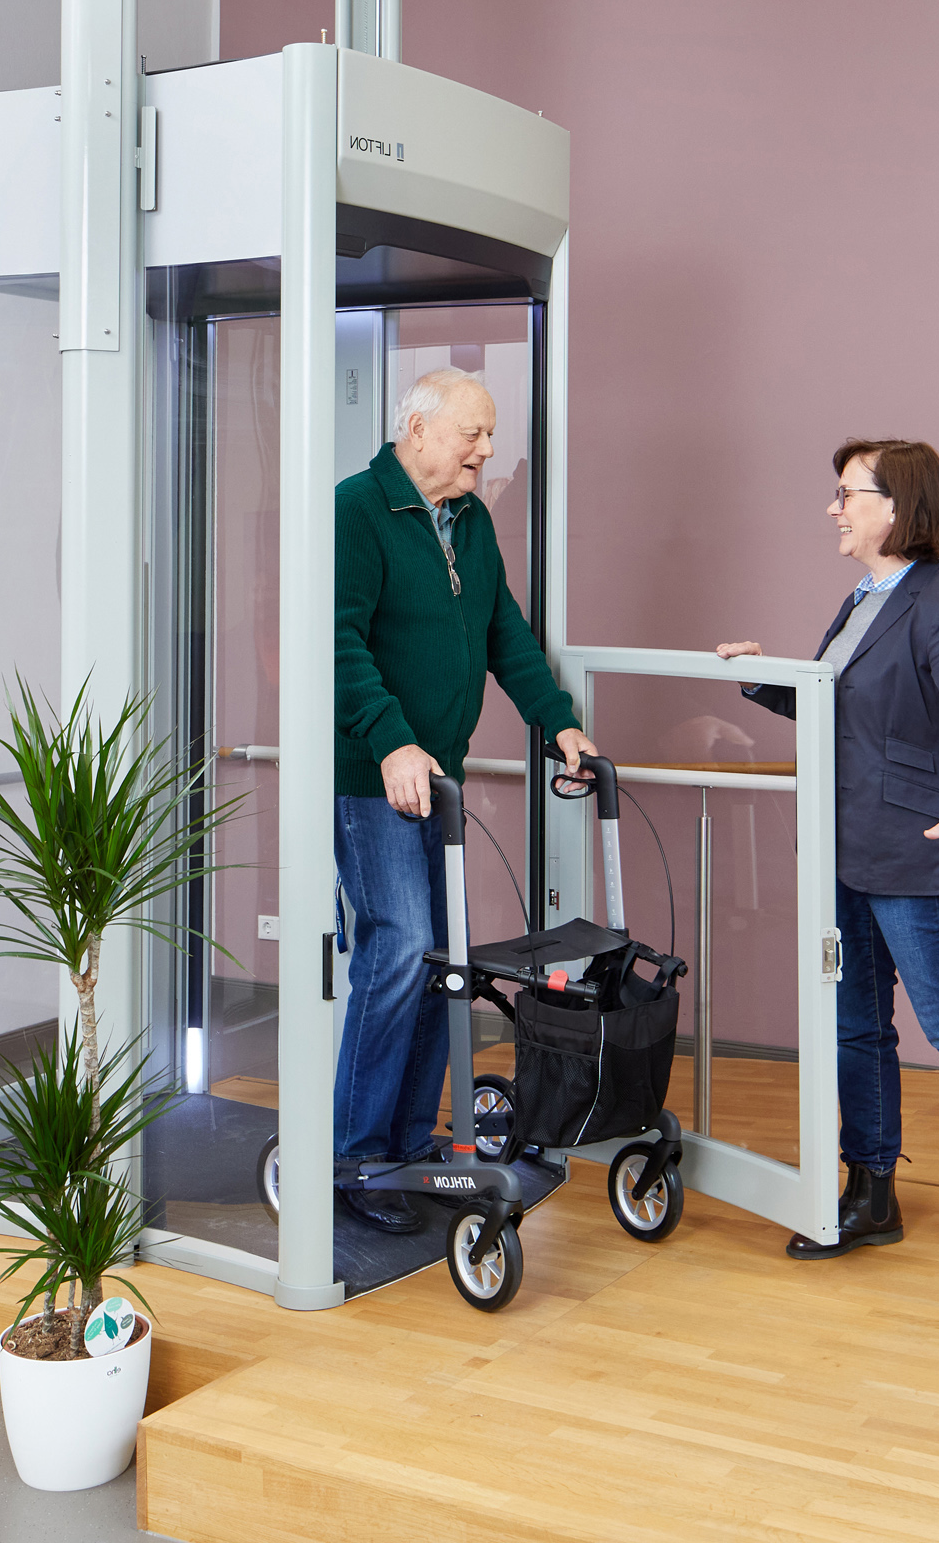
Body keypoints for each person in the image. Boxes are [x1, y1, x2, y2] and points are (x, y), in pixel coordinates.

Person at [719, 439, 939, 1278]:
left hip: (918, 855)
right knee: (856, 1025)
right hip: (845, 855)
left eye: (847, 493)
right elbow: (839, 706)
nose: (835, 508)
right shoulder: (861, 601)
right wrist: (763, 678)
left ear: (896, 506)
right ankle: (871, 1190)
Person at [334, 366, 592, 1234]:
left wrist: (560, 724)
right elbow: (337, 643)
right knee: (400, 946)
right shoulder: (357, 510)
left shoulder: (471, 522)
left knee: (440, 956)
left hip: (438, 777)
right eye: (473, 433)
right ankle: (357, 1156)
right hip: (371, 777)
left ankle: (406, 1148)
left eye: (489, 435)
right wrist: (390, 739)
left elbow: (503, 636)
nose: (488, 449)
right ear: (418, 431)